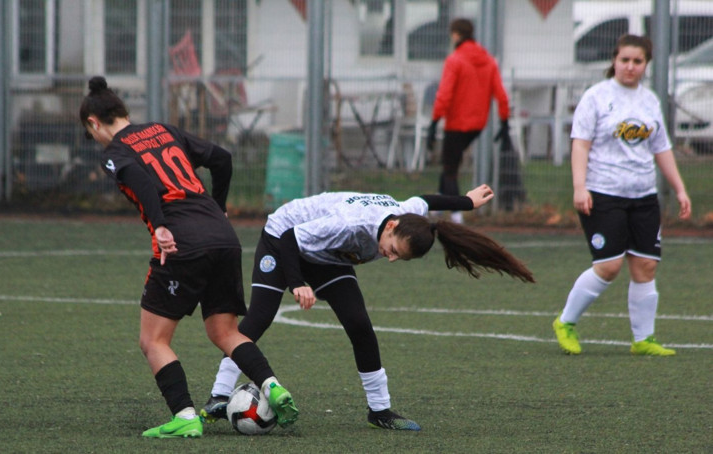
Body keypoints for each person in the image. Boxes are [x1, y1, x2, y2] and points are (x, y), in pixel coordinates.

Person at [199, 184, 534, 430]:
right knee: (259, 317)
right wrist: (298, 282)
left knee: (360, 325)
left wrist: (467, 202)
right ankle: (219, 396)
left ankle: (380, 411)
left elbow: (426, 199)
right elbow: (290, 240)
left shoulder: (407, 214)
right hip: (282, 238)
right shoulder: (350, 223)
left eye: (399, 258)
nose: (390, 258)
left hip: (329, 256)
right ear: (390, 226)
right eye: (393, 250)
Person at [79, 76, 298, 439]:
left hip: (183, 242)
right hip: (223, 237)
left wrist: (160, 226)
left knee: (153, 341)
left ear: (93, 123)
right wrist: (219, 207)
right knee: (225, 332)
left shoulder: (116, 152)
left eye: (92, 134)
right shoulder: (163, 130)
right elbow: (222, 158)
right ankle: (272, 386)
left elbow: (141, 181)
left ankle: (184, 415)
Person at [552, 34, 692, 357]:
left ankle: (643, 339)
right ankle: (565, 322)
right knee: (609, 266)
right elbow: (580, 144)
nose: (630, 66)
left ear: (646, 64)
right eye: (624, 60)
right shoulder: (596, 97)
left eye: (637, 61)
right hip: (603, 193)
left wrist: (680, 189)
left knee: (645, 266)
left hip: (643, 195)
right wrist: (579, 186)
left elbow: (662, 148)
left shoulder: (650, 100)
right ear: (614, 61)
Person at [426, 18, 510, 224]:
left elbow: (444, 94)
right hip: (477, 125)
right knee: (450, 161)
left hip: (456, 124)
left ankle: (457, 216)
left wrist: (434, 122)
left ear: (456, 34)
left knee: (450, 169)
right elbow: (501, 95)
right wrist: (504, 121)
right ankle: (437, 207)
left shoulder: (454, 60)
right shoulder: (489, 60)